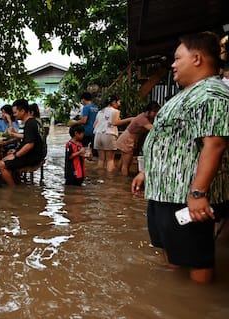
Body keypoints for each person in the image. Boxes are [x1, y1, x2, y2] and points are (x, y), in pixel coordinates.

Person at [131, 31, 229, 284]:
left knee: (197, 259)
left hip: (185, 195)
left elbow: (215, 144)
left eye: (177, 58)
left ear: (197, 58)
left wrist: (198, 193)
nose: (172, 65)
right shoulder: (190, 93)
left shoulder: (212, 94)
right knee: (173, 253)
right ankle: (175, 299)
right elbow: (174, 141)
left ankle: (198, 304)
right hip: (166, 191)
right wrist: (148, 172)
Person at [0, 99, 45, 186]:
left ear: (22, 111)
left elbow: (29, 144)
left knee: (1, 164)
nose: (14, 115)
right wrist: (16, 151)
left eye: (15, 112)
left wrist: (16, 155)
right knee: (8, 154)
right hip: (39, 154)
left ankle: (13, 189)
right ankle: (17, 181)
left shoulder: (29, 124)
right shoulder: (34, 122)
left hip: (33, 157)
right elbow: (28, 138)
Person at [116, 101, 160, 176]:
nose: (156, 114)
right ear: (148, 111)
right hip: (127, 140)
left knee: (123, 161)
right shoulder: (142, 119)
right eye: (154, 112)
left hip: (126, 138)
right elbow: (153, 129)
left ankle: (117, 178)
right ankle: (123, 182)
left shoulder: (145, 117)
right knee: (126, 164)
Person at [93, 95, 133, 172]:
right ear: (114, 102)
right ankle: (109, 180)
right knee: (110, 160)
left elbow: (94, 125)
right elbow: (115, 122)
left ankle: (100, 178)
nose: (119, 104)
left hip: (98, 135)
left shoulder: (100, 111)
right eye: (118, 102)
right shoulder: (115, 111)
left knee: (101, 159)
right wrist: (129, 119)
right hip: (109, 135)